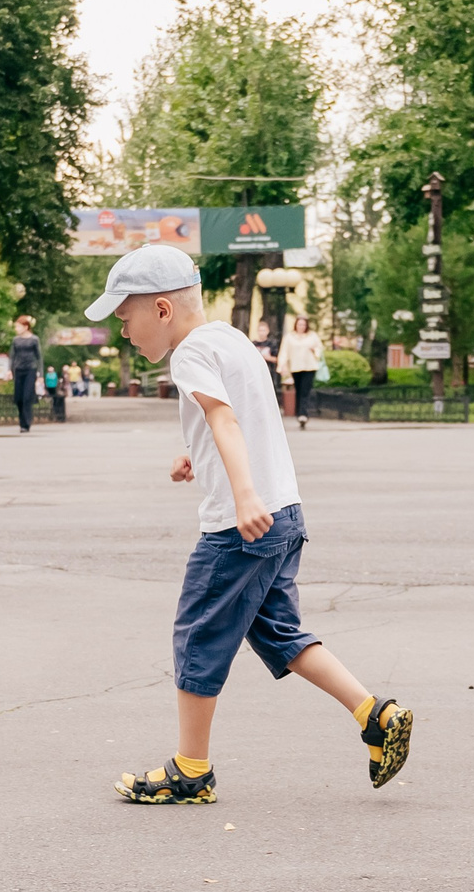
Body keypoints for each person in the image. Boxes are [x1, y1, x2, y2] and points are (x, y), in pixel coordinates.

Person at [85, 244, 413, 804]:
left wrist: (241, 496)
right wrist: (196, 453)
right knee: (278, 632)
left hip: (244, 526)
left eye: (125, 316)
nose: (122, 330)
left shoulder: (187, 354)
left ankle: (191, 769)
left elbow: (224, 417)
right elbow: (244, 417)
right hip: (285, 514)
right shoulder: (231, 339)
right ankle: (375, 714)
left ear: (162, 310)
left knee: (198, 636)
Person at [278, 314, 325, 430]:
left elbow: (320, 349)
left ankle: (303, 414)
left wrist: (315, 350)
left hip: (309, 367)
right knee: (299, 391)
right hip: (296, 367)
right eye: (299, 324)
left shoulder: (312, 336)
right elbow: (284, 352)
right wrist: (282, 366)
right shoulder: (290, 337)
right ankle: (300, 413)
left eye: (303, 324)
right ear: (296, 325)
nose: (301, 326)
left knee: (305, 391)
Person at [9, 313, 41, 432]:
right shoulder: (15, 340)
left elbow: (39, 357)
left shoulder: (34, 339)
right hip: (18, 370)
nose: (16, 329)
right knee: (18, 398)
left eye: (18, 327)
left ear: (25, 327)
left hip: (30, 369)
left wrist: (40, 374)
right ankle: (21, 420)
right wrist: (10, 370)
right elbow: (12, 356)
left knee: (27, 396)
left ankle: (26, 423)